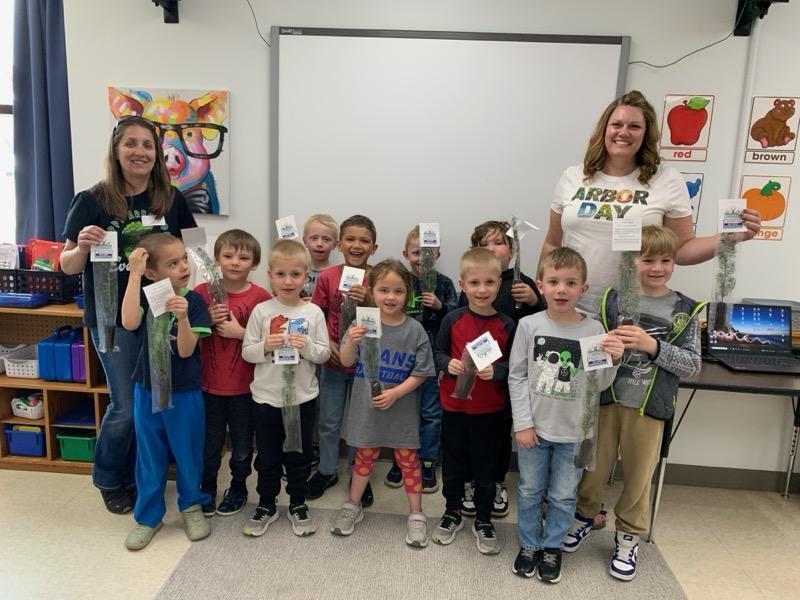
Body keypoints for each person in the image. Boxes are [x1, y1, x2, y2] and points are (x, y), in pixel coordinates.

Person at [61, 115, 197, 514]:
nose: (140, 152)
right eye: (131, 144)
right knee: (124, 404)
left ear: (157, 155)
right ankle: (109, 477)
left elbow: (196, 252)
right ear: (116, 151)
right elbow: (67, 265)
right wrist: (82, 247)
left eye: (148, 146)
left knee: (154, 401)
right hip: (113, 321)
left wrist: (205, 295)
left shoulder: (172, 199)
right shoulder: (92, 200)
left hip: (160, 314)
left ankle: (147, 476)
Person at [563, 226, 706, 582]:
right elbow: (591, 343)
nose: (657, 267)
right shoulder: (611, 299)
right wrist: (602, 349)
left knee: (639, 476)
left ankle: (628, 535)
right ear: (632, 262)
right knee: (592, 468)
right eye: (647, 259)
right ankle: (584, 517)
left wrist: (651, 345)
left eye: (666, 260)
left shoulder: (686, 308)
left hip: (649, 407)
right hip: (605, 401)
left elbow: (692, 365)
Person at [542, 90, 761, 317]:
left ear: (646, 134)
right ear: (604, 129)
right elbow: (552, 244)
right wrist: (543, 296)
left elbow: (681, 249)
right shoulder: (573, 176)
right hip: (571, 311)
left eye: (634, 126)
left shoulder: (666, 180)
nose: (623, 132)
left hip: (632, 315)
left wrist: (729, 238)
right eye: (616, 124)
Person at [508, 247, 623, 584]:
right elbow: (516, 376)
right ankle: (529, 544)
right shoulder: (529, 325)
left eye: (570, 282)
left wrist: (614, 361)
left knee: (562, 495)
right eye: (554, 282)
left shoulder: (594, 329)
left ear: (582, 289)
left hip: (576, 434)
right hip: (534, 431)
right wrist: (523, 423)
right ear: (540, 285)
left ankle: (552, 546)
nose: (561, 289)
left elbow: (598, 383)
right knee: (529, 490)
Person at [331, 259, 435, 547]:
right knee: (364, 457)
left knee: (408, 462)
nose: (391, 297)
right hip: (367, 410)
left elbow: (422, 372)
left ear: (408, 294)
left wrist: (396, 393)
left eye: (399, 291)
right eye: (383, 290)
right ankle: (353, 505)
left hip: (400, 410)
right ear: (371, 291)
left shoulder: (414, 329)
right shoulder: (361, 322)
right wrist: (351, 341)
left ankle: (416, 514)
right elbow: (347, 360)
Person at [120, 233, 212, 550]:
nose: (183, 267)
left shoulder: (196, 301)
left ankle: (191, 504)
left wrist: (183, 317)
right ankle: (148, 517)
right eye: (173, 263)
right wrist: (133, 275)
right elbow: (130, 322)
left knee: (187, 451)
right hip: (146, 389)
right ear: (153, 273)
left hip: (184, 393)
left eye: (184, 259)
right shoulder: (147, 293)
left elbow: (186, 352)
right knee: (149, 454)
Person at [241, 240, 330, 537]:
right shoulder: (261, 311)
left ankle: (297, 502)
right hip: (266, 399)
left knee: (299, 454)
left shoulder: (314, 313)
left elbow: (324, 354)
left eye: (295, 274)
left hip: (303, 398)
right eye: (281, 274)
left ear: (306, 276)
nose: (288, 281)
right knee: (267, 455)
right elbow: (247, 352)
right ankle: (266, 503)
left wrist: (307, 347)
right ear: (269, 275)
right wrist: (266, 345)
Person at [459, 220, 547, 519]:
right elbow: (462, 321)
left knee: (500, 432)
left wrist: (535, 300)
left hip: (515, 372)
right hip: (480, 375)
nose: (492, 249)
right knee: (473, 431)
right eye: (485, 244)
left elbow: (545, 320)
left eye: (499, 243)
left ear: (512, 250)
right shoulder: (473, 282)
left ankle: (496, 481)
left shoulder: (523, 284)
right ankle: (471, 481)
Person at [431, 248, 515, 555]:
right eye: (475, 283)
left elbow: (515, 368)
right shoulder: (452, 319)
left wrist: (497, 371)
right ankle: (452, 511)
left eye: (490, 282)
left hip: (490, 412)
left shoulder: (507, 324)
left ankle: (483, 519)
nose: (482, 290)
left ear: (498, 285)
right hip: (454, 409)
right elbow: (437, 352)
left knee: (485, 468)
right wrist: (447, 364)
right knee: (453, 466)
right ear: (462, 284)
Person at [196, 229, 271, 517]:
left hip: (246, 389)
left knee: (242, 447)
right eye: (228, 256)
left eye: (243, 257)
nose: (235, 262)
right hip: (208, 388)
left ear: (254, 263)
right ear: (216, 260)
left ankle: (238, 486)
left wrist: (241, 333)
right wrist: (206, 321)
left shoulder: (261, 297)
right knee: (210, 445)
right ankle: (207, 488)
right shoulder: (203, 293)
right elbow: (189, 338)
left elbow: (267, 343)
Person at [382, 225, 457, 493]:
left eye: (427, 253)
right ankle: (400, 460)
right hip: (401, 358)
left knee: (430, 413)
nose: (421, 258)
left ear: (438, 253)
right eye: (416, 252)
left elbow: (455, 318)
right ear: (405, 253)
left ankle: (427, 461)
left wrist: (440, 306)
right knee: (401, 412)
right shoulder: (398, 282)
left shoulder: (445, 283)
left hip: (433, 361)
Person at [308, 215, 377, 503]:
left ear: (374, 247)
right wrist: (330, 343)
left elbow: (388, 314)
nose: (356, 245)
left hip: (366, 366)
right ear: (339, 244)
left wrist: (369, 298)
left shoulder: (378, 277)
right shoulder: (327, 277)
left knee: (362, 423)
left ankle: (360, 475)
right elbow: (316, 315)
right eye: (350, 239)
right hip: (333, 362)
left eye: (364, 240)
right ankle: (326, 469)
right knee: (328, 420)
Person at [302, 213, 339, 296]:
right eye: (314, 238)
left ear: (335, 245)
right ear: (305, 241)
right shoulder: (297, 271)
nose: (319, 244)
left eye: (326, 239)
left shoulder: (336, 275)